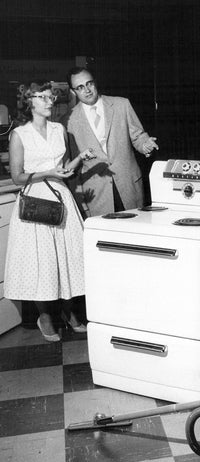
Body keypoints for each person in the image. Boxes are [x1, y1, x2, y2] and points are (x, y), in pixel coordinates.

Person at [4, 80, 96, 342]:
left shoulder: (59, 129)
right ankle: (44, 316)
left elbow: (64, 168)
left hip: (61, 197)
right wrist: (48, 172)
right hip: (35, 202)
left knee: (69, 256)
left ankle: (69, 312)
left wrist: (80, 159)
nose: (49, 102)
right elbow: (18, 177)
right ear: (28, 102)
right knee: (43, 261)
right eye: (42, 97)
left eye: (51, 97)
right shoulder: (19, 135)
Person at [62, 67, 158, 217]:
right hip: (96, 194)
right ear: (73, 92)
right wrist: (82, 203)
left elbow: (138, 136)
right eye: (80, 87)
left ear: (95, 83)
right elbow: (74, 168)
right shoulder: (68, 121)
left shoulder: (121, 105)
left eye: (89, 84)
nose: (87, 90)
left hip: (128, 185)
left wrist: (145, 145)